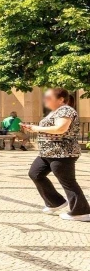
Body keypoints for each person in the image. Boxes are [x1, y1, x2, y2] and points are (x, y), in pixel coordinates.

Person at [23, 88, 89, 222]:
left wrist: (37, 128)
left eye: (49, 98)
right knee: (35, 174)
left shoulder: (66, 110)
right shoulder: (55, 112)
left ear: (61, 100)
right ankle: (55, 202)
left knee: (68, 182)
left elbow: (60, 128)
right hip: (47, 152)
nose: (45, 100)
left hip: (62, 153)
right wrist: (33, 128)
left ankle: (82, 212)